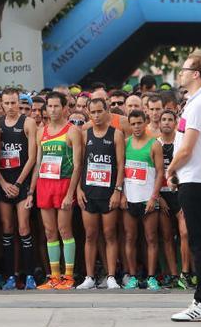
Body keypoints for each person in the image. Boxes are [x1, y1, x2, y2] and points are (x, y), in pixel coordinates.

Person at [169, 51, 201, 322]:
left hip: (196, 178)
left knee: (199, 241)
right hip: (191, 176)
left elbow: (187, 147)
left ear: (196, 73)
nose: (181, 73)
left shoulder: (200, 104)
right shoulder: (194, 102)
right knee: (198, 239)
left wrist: (170, 167)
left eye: (185, 69)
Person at [33, 92, 83, 290]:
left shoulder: (72, 131)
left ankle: (68, 277)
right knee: (49, 231)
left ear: (64, 108)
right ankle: (54, 277)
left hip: (64, 184)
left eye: (56, 106)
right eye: (49, 106)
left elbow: (78, 166)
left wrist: (70, 193)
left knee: (64, 230)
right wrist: (31, 191)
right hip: (45, 184)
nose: (52, 110)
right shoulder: (41, 132)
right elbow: (38, 163)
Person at [75, 98, 124, 291]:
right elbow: (79, 164)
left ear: (106, 112)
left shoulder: (116, 134)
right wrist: (78, 189)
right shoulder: (84, 134)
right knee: (90, 235)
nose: (96, 115)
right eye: (92, 112)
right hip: (89, 192)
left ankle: (111, 276)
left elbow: (120, 165)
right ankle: (89, 277)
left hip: (109, 192)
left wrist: (117, 191)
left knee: (110, 235)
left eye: (99, 111)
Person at [0, 88, 38, 291]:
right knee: (7, 229)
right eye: (7, 103)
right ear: (2, 104)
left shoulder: (28, 122)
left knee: (23, 227)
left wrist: (19, 184)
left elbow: (32, 158)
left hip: (22, 183)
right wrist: (3, 184)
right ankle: (10, 275)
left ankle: (29, 275)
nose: (11, 107)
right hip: (4, 182)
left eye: (14, 103)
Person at [121, 110, 164, 291]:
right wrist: (122, 194)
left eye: (139, 123)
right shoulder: (125, 144)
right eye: (133, 124)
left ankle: (152, 276)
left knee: (151, 238)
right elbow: (121, 170)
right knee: (130, 238)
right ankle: (132, 276)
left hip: (148, 199)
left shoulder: (154, 144)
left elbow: (160, 172)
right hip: (130, 198)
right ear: (129, 125)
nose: (136, 127)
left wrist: (153, 197)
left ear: (145, 123)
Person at [157, 110, 191, 289]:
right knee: (167, 235)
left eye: (170, 119)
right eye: (164, 119)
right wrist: (157, 197)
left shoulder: (181, 142)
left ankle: (185, 273)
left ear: (175, 122)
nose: (167, 123)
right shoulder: (155, 144)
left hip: (180, 192)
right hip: (161, 194)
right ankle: (172, 274)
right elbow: (153, 172)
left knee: (185, 233)